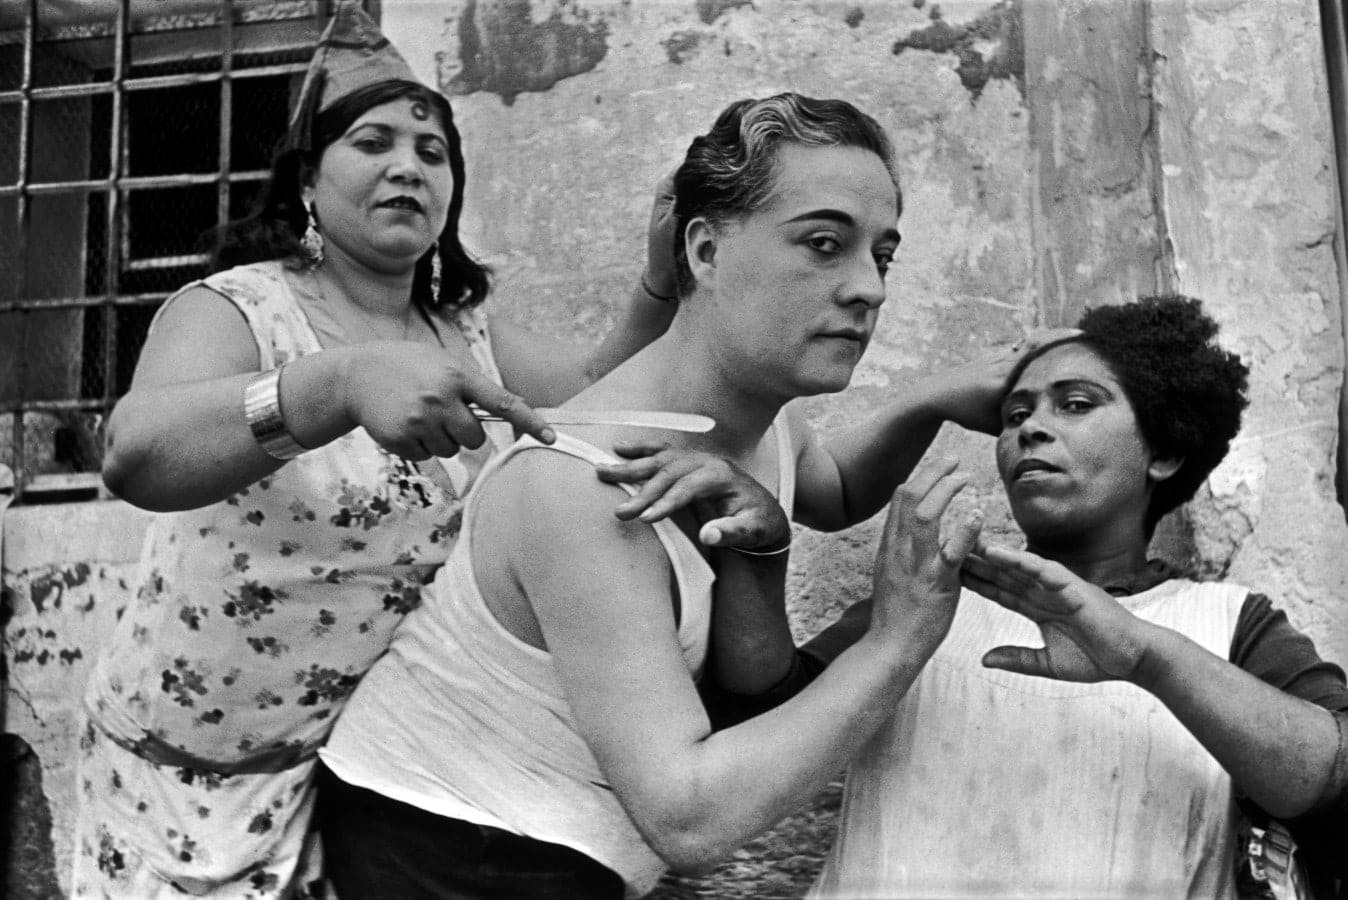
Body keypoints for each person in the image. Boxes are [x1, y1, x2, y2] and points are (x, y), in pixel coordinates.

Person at [314, 91, 1025, 899]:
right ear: (706, 250)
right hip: (450, 855)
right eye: (825, 244)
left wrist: (930, 398)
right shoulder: (587, 486)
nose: (869, 288)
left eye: (882, 255)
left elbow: (828, 491)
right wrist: (897, 639)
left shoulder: (766, 422)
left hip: (566, 857)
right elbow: (690, 821)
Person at [73, 4, 684, 897]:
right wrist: (340, 384)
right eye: (374, 141)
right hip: (167, 780)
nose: (408, 165)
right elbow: (135, 455)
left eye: (432, 153)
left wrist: (661, 282)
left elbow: (596, 395)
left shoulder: (468, 338)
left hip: (339, 782)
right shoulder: (240, 308)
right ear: (307, 185)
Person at [794, 296, 1348, 898]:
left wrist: (1145, 658)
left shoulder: (1231, 624)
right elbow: (755, 727)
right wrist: (759, 549)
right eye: (1013, 415)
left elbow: (1332, 780)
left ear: (1162, 453)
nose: (1029, 427)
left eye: (1077, 404)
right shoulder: (928, 600)